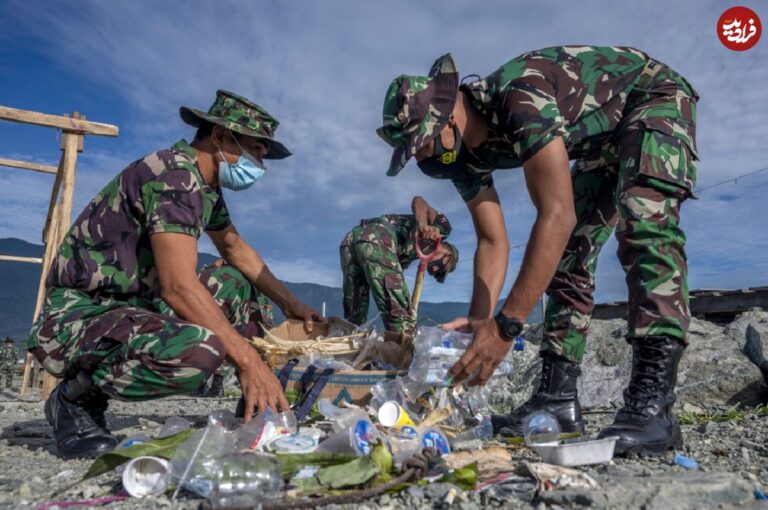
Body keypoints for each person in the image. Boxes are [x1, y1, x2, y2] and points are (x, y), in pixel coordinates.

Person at [377, 47, 698, 456]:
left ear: (449, 114)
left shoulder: (518, 96)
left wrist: (508, 325)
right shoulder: (464, 159)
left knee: (644, 223)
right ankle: (557, 399)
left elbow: (557, 214)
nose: (423, 156)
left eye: (421, 144)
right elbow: (493, 240)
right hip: (599, 143)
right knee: (566, 259)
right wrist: (481, 320)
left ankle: (654, 408)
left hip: (651, 102)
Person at [28, 90, 323, 458]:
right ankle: (74, 399)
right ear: (219, 137)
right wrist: (246, 359)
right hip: (83, 315)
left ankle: (257, 402)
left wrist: (292, 305)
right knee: (202, 351)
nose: (260, 163)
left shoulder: (205, 188)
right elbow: (179, 287)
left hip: (136, 308)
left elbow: (235, 249)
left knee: (234, 281)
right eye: (256, 150)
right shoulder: (173, 176)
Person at [340, 196, 459, 335]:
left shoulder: (405, 257)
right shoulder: (443, 229)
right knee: (399, 316)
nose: (434, 270)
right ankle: (406, 351)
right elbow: (419, 201)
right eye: (441, 268)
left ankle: (350, 346)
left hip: (352, 241)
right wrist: (423, 224)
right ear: (448, 255)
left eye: (436, 274)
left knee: (354, 314)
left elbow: (387, 281)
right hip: (377, 235)